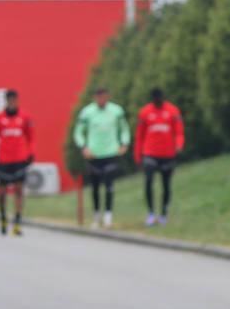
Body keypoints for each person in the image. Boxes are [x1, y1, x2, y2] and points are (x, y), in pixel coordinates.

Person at [73, 86, 131, 228]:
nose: (102, 100)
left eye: (104, 97)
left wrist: (124, 143)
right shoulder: (87, 112)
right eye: (99, 97)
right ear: (95, 98)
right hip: (94, 154)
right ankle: (96, 215)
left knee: (109, 185)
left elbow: (124, 129)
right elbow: (78, 132)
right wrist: (83, 147)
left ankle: (108, 216)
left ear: (108, 96)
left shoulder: (116, 111)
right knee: (95, 187)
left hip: (111, 153)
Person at [135, 87, 185, 226]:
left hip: (168, 154)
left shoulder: (172, 111)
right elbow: (139, 136)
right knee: (149, 182)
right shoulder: (145, 112)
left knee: (166, 184)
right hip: (150, 153)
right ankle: (151, 213)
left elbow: (179, 132)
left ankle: (164, 213)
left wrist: (179, 145)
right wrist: (138, 156)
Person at [0, 90, 34, 236]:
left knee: (19, 190)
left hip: (20, 159)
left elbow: (31, 137)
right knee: (2, 192)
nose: (13, 102)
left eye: (15, 100)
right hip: (3, 160)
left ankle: (17, 222)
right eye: (10, 100)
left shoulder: (25, 117)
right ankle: (3, 218)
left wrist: (31, 153)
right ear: (6, 101)